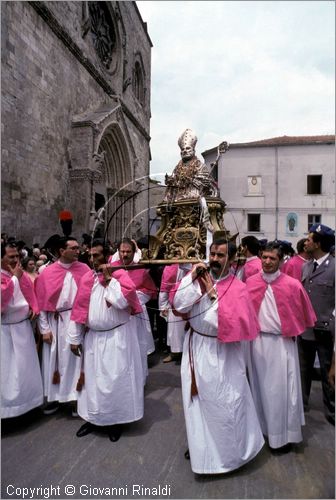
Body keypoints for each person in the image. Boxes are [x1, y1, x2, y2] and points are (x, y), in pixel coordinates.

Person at [173, 238, 264, 474]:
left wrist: (213, 294)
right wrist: (190, 279)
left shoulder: (238, 287)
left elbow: (231, 324)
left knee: (226, 403)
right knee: (197, 404)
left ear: (232, 260)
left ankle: (229, 454)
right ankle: (200, 447)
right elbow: (179, 305)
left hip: (223, 353)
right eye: (212, 254)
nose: (214, 259)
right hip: (196, 347)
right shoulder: (198, 279)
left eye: (220, 255)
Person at [67, 239, 144, 441]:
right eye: (90, 256)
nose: (93, 260)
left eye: (97, 256)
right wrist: (74, 338)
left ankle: (115, 421)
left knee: (114, 381)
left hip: (116, 338)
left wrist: (109, 280)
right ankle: (93, 419)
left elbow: (121, 302)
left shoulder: (120, 276)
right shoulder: (87, 279)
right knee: (92, 383)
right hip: (93, 338)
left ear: (107, 256)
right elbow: (79, 309)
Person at [246, 241, 317, 451]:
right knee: (257, 390)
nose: (267, 262)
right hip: (256, 344)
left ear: (281, 260)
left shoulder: (293, 285)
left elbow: (304, 315)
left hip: (281, 345)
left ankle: (281, 438)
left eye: (272, 258)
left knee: (280, 393)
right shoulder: (249, 282)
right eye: (264, 257)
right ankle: (260, 432)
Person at [35, 237, 90, 415]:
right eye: (73, 248)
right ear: (61, 251)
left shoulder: (85, 269)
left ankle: (75, 398)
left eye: (78, 248)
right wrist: (44, 329)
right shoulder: (47, 272)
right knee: (54, 362)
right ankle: (54, 398)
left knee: (75, 361)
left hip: (77, 319)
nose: (78, 250)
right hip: (56, 321)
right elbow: (41, 303)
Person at [1, 242, 43, 417]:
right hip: (5, 331)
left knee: (26, 370)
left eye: (17, 256)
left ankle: (29, 406)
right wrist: (15, 279)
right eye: (11, 257)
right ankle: (8, 411)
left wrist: (34, 308)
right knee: (8, 374)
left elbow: (30, 293)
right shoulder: (13, 276)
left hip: (23, 328)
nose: (16, 260)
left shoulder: (21, 275)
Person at [299, 224, 335, 425]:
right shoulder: (306, 266)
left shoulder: (334, 267)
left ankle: (331, 410)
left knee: (327, 372)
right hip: (305, 329)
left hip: (325, 330)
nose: (306, 242)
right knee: (303, 370)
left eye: (310, 239)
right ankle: (302, 406)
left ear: (319, 243)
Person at [109, 238, 157, 385]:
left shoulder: (140, 269)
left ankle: (138, 379)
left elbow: (150, 291)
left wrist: (133, 299)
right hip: (116, 314)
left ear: (134, 252)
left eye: (128, 252)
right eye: (122, 251)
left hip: (136, 316)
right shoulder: (111, 268)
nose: (125, 254)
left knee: (137, 346)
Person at [164, 129, 219, 203]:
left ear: (193, 150)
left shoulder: (200, 166)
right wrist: (170, 181)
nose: (185, 151)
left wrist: (202, 182)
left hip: (193, 197)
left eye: (188, 148)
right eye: (183, 149)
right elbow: (175, 182)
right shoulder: (177, 168)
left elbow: (208, 183)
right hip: (177, 197)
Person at [159, 263, 191, 363]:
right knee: (174, 332)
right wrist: (163, 305)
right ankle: (174, 353)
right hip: (174, 301)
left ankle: (189, 354)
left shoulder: (192, 263)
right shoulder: (169, 267)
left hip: (190, 300)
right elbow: (164, 288)